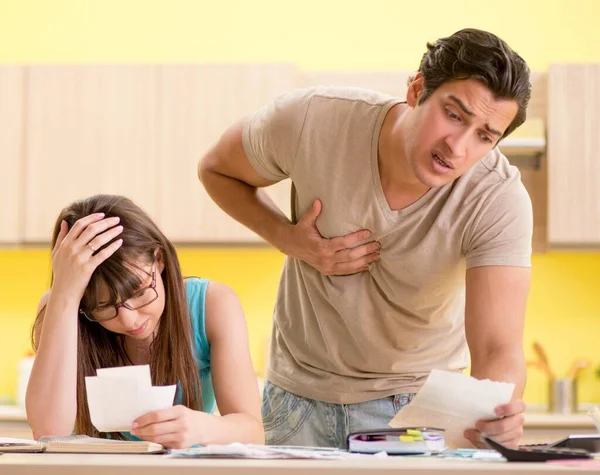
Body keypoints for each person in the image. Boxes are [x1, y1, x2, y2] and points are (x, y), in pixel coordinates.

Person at [198, 28, 533, 449]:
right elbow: (216, 168)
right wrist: (289, 239)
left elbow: (498, 347)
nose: (458, 147)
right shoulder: (312, 120)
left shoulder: (497, 197)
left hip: (416, 407)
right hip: (295, 398)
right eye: (454, 114)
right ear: (417, 89)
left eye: (485, 135)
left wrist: (496, 413)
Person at [26, 194, 264, 448]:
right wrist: (65, 294)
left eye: (139, 292)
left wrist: (203, 428)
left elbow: (253, 433)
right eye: (103, 307)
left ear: (159, 260)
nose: (129, 319)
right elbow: (48, 431)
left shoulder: (212, 305)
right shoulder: (63, 306)